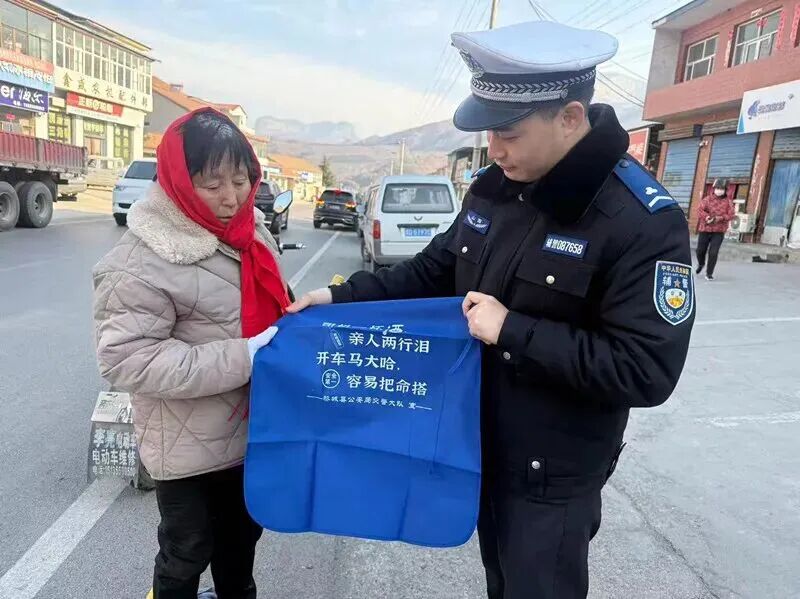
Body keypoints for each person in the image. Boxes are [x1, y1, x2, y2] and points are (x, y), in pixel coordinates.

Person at [290, 20, 694, 599]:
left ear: (569, 118)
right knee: (500, 583)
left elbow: (645, 369)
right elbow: (431, 270)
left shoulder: (639, 220)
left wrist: (512, 330)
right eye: (489, 133)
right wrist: (338, 298)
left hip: (553, 475)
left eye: (508, 133)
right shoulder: (496, 186)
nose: (494, 148)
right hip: (480, 445)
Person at [93, 107, 289, 599]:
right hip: (185, 443)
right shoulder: (139, 261)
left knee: (240, 544)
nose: (231, 198)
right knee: (187, 550)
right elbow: (128, 359)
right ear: (179, 182)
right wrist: (246, 356)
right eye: (212, 184)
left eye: (240, 181)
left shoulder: (253, 234)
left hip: (253, 430)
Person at [696, 178, 735, 280]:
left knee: (713, 252)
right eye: (717, 188)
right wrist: (707, 217)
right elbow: (699, 210)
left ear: (725, 190)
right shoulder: (707, 199)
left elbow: (731, 215)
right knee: (700, 251)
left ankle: (709, 273)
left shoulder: (729, 202)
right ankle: (701, 263)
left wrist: (720, 218)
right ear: (714, 189)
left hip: (719, 231)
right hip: (705, 229)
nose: (719, 191)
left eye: (721, 189)